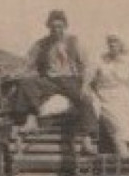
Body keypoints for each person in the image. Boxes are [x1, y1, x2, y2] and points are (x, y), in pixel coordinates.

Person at [9, 10, 100, 153]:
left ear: (65, 26)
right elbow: (27, 63)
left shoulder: (74, 42)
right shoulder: (41, 44)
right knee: (26, 84)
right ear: (48, 27)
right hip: (50, 80)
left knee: (85, 100)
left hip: (71, 78)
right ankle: (31, 118)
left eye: (59, 26)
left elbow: (88, 65)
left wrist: (85, 85)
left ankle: (86, 138)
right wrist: (15, 73)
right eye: (53, 27)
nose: (56, 30)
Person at [89, 35, 129, 155]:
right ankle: (124, 159)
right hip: (104, 97)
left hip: (123, 98)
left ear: (121, 44)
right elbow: (89, 82)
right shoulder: (100, 60)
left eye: (115, 42)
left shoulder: (128, 62)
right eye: (110, 42)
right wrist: (94, 98)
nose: (112, 44)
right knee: (117, 127)